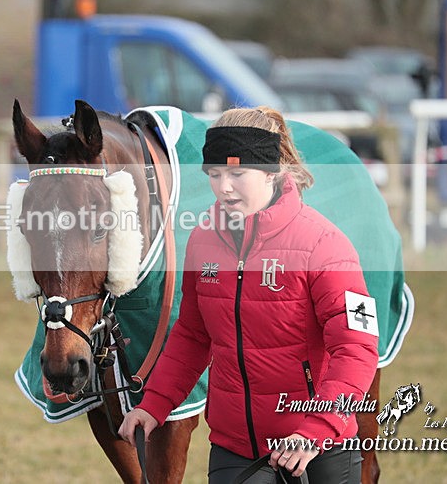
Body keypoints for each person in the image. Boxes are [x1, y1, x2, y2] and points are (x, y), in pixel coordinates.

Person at [118, 107, 378, 483]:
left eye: (237, 173)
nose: (224, 186)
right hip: (235, 447)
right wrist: (154, 405)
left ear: (272, 172)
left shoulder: (325, 245)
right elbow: (192, 336)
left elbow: (356, 349)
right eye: (215, 174)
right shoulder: (203, 241)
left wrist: (317, 430)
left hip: (319, 447)